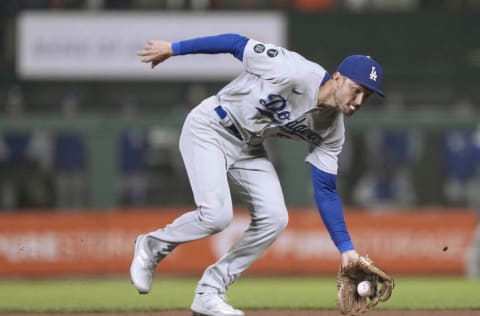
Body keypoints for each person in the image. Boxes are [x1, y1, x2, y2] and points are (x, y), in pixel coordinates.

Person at [130, 33, 385, 316]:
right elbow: (235, 43)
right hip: (211, 127)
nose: (359, 100)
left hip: (247, 146)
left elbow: (325, 190)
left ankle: (210, 292)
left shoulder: (332, 131)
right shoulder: (295, 71)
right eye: (356, 89)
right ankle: (152, 246)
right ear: (338, 78)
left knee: (275, 219)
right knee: (217, 215)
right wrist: (173, 49)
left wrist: (346, 249)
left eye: (367, 95)